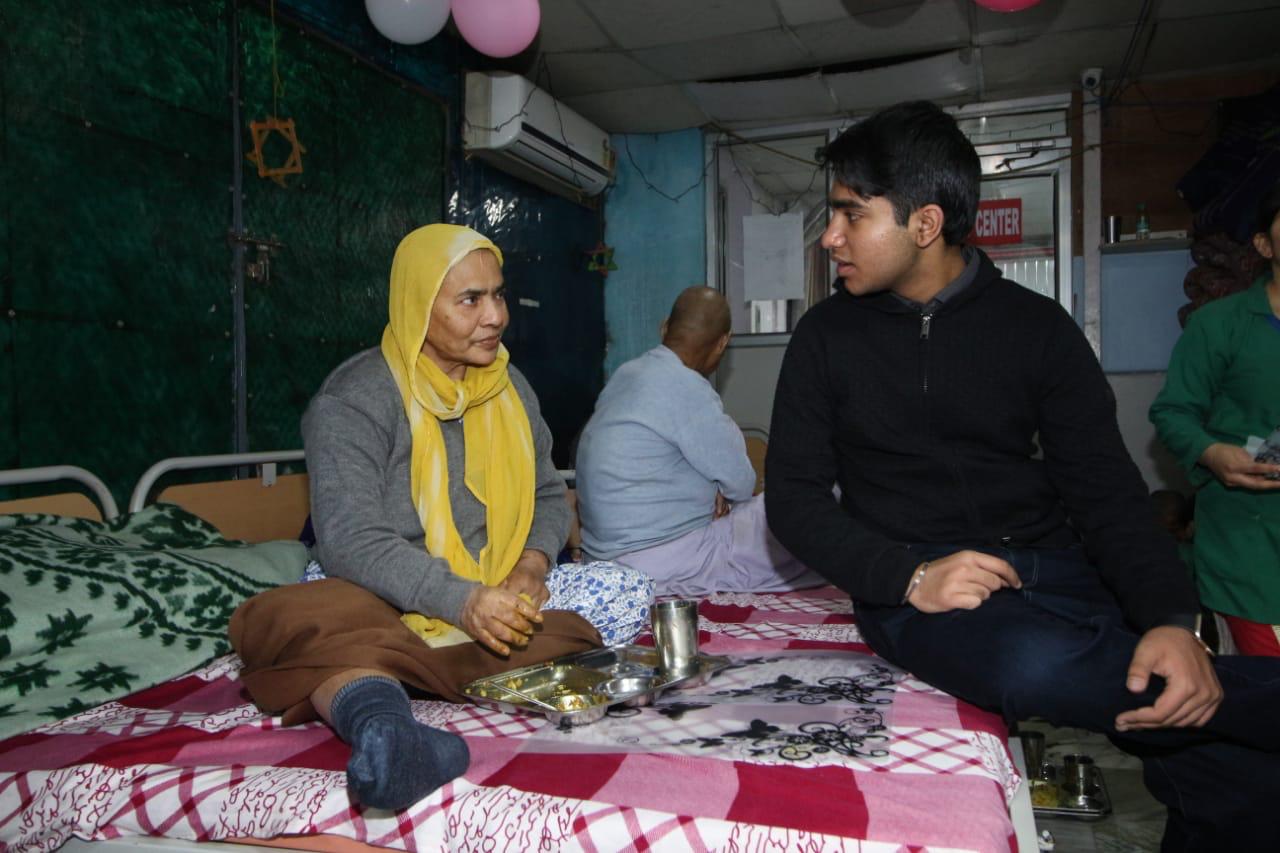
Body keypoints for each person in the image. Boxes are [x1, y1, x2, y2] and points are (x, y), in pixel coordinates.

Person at [765, 100, 1280, 849]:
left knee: (1230, 775)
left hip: (1052, 569)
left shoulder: (1038, 331)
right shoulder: (824, 337)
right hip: (917, 589)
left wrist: (1171, 622)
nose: (830, 236)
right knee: (1029, 665)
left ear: (925, 223)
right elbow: (796, 501)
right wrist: (910, 574)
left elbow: (1106, 491)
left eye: (850, 214)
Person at [230, 224, 651, 811]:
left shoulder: (510, 388)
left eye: (498, 294)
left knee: (626, 590)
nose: (496, 316)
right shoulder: (354, 399)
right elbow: (350, 540)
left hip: (498, 589)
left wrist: (531, 565)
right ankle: (387, 728)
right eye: (470, 300)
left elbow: (550, 497)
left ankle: (398, 676)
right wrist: (460, 601)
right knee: (294, 612)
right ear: (417, 306)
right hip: (387, 594)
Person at [575, 286, 819, 596]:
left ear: (665, 327)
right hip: (663, 560)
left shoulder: (626, 374)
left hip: (603, 559)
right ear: (722, 344)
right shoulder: (689, 389)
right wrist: (720, 489)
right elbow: (742, 485)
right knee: (806, 507)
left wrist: (716, 489)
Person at [1150, 184, 1280, 656]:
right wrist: (1211, 453)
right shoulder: (1221, 325)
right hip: (1252, 540)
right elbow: (1172, 412)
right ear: (1265, 245)